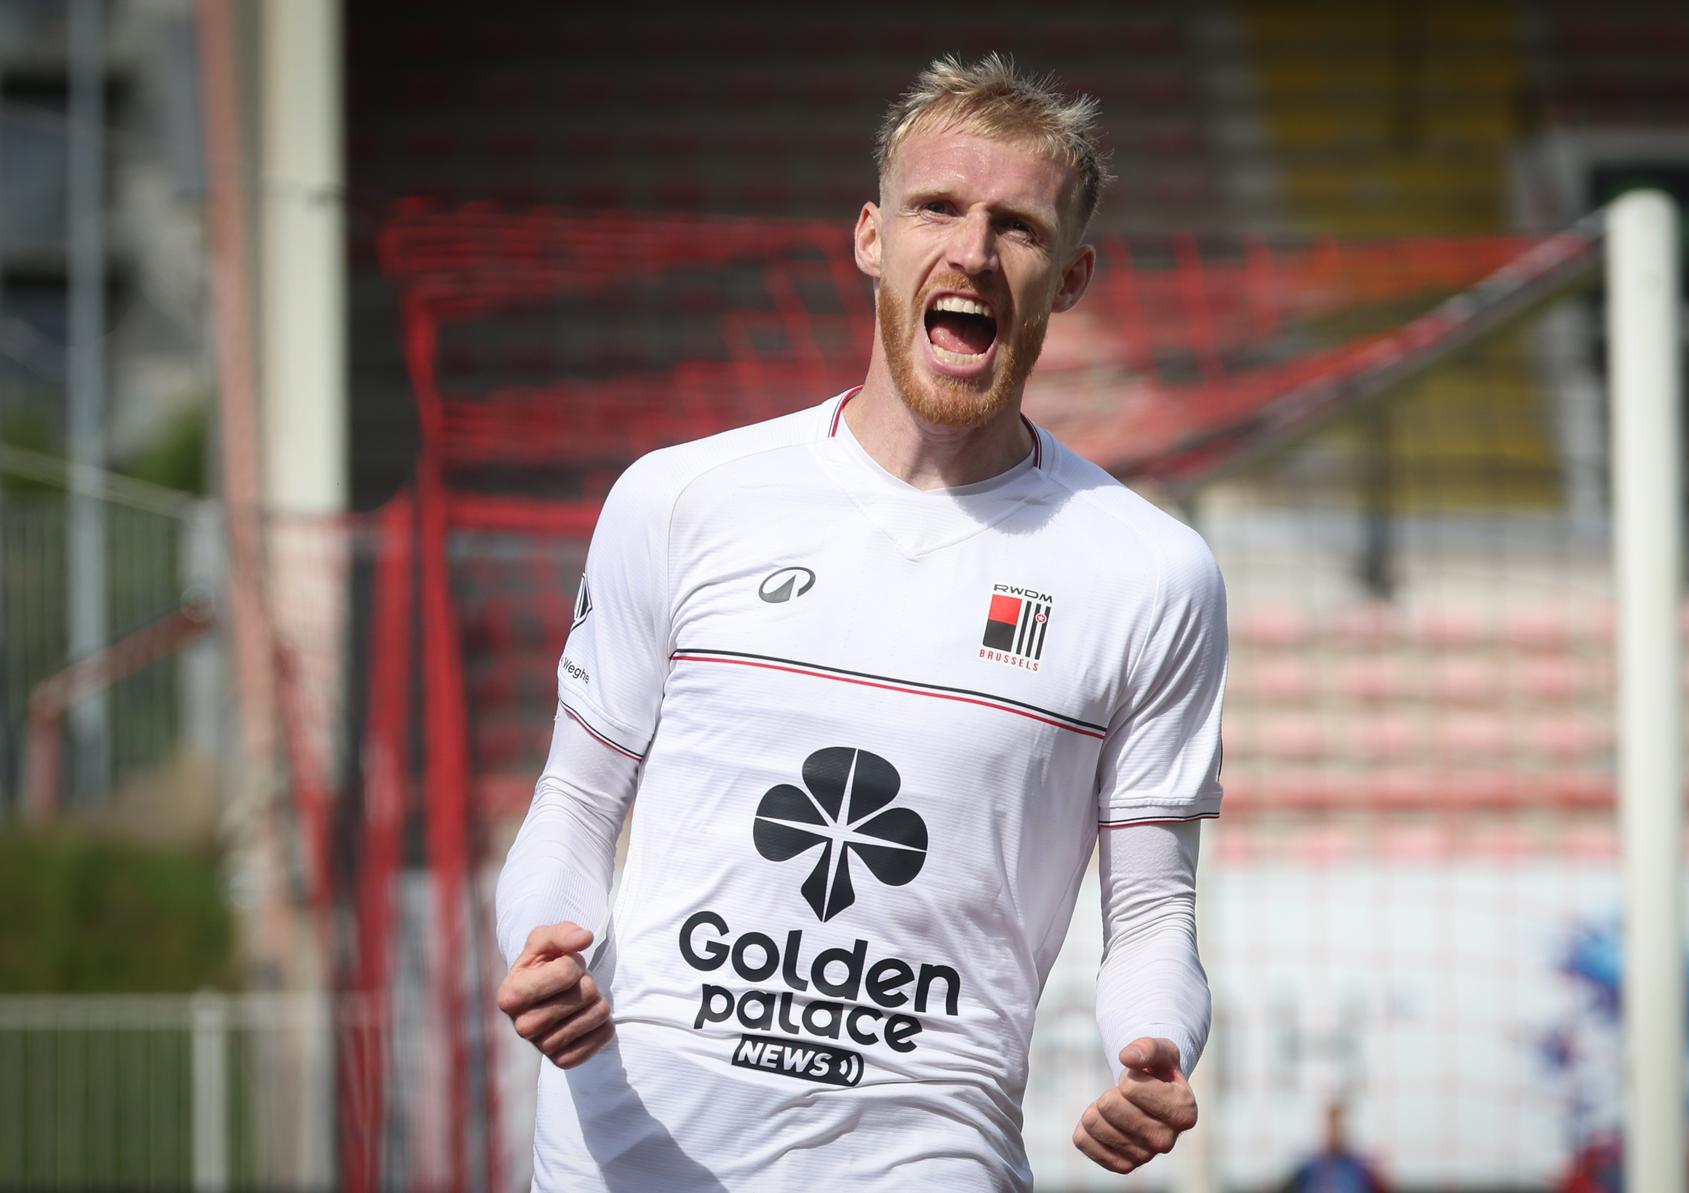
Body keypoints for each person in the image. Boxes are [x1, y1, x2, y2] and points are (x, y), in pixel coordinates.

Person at [492, 53, 1227, 1191]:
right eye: (939, 206)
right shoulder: (682, 498)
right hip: (628, 1155)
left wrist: (1157, 1046)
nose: (973, 252)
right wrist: (539, 939)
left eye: (1017, 227)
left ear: (1070, 277)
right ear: (871, 237)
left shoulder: (1150, 573)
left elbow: (1152, 912)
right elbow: (576, 804)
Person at [1279, 1101, 1390, 1193]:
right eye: (1331, 1126)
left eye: (1340, 1126)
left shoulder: (1361, 1170)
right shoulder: (1308, 1170)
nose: (1335, 1132)